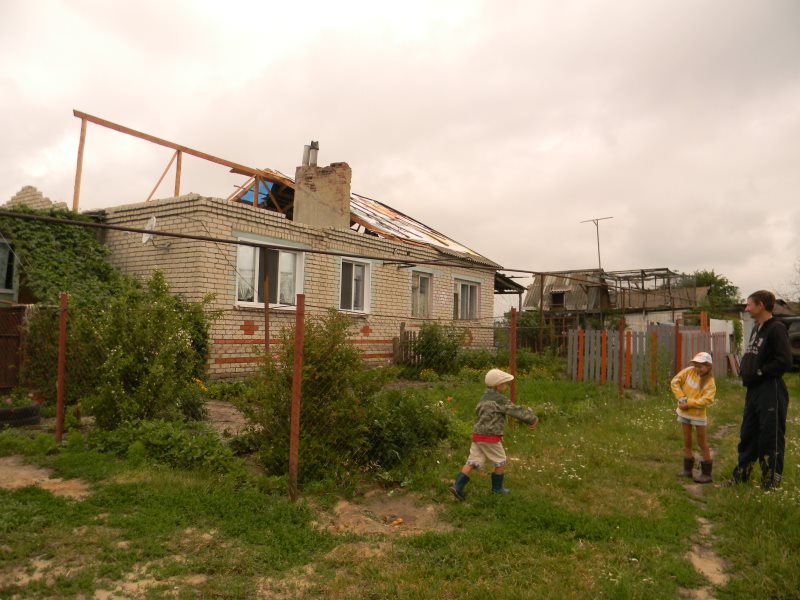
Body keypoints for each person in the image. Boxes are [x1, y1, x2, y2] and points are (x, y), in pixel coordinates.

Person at [731, 290, 793, 489]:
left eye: (749, 305)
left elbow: (784, 360)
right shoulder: (757, 328)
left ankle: (770, 483)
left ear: (761, 306)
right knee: (748, 434)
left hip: (770, 389)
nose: (746, 308)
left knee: (770, 437)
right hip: (754, 391)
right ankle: (741, 477)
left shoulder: (776, 328)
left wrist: (760, 372)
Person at [449, 368, 539, 501]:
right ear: (498, 386)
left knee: (473, 461)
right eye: (504, 384)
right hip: (489, 437)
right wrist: (532, 419)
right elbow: (515, 411)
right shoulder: (500, 400)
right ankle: (497, 489)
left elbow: (483, 418)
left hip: (477, 435)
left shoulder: (483, 398)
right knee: (500, 461)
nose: (506, 387)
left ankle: (457, 486)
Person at [671, 352, 716, 483]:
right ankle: (687, 470)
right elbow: (675, 381)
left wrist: (689, 403)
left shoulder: (710, 382)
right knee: (687, 441)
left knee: (702, 443)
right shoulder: (688, 372)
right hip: (684, 413)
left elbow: (707, 399)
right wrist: (681, 397)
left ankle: (707, 473)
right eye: (696, 365)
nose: (697, 369)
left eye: (701, 366)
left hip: (698, 416)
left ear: (708, 367)